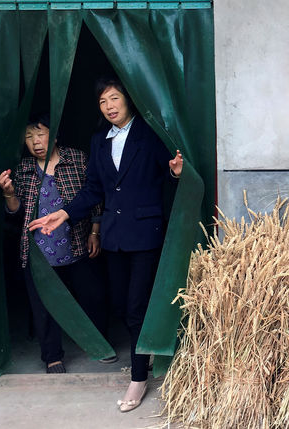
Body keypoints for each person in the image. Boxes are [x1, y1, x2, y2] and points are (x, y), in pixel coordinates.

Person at [29, 78, 183, 412]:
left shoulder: (150, 134)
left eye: (115, 98)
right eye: (102, 102)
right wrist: (63, 214)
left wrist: (175, 173)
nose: (110, 106)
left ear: (129, 100)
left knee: (134, 307)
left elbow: (171, 173)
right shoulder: (99, 141)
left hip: (145, 233)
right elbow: (93, 191)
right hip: (113, 236)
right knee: (120, 305)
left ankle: (139, 377)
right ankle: (147, 353)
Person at [0, 114, 108, 374]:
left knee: (93, 296)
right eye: (28, 137)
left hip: (76, 242)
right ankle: (52, 355)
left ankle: (99, 345)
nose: (35, 142)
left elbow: (95, 196)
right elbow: (16, 212)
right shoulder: (23, 168)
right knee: (44, 304)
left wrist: (95, 231)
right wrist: (9, 194)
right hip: (37, 249)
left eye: (40, 134)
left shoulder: (77, 159)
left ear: (55, 135)